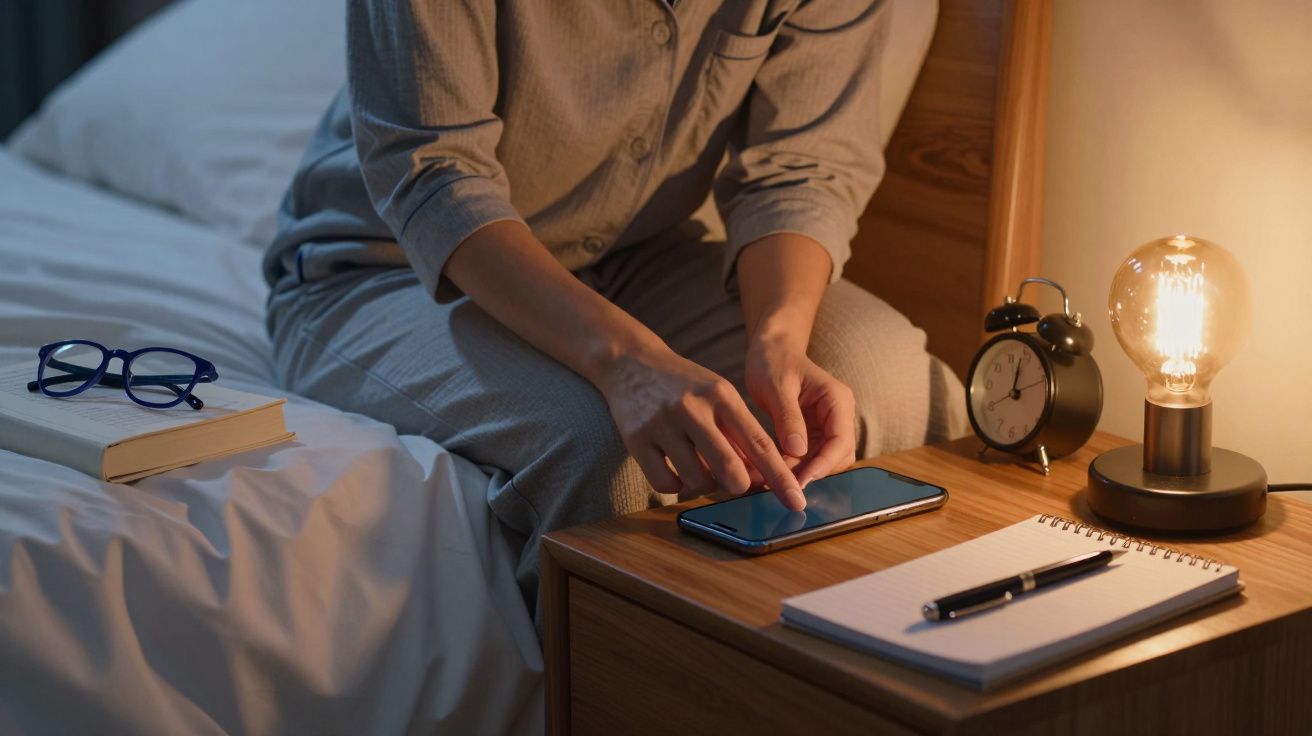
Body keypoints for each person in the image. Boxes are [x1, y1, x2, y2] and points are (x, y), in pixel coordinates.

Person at [263, 0, 963, 613]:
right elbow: (436, 175)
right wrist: (629, 362)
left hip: (630, 254)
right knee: (605, 450)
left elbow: (804, 166)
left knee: (884, 373)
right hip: (385, 267)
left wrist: (778, 337)